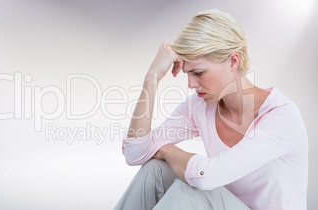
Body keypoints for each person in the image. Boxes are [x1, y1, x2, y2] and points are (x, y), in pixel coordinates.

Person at [114, 9, 308, 210]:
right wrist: (152, 77)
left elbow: (207, 177)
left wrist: (166, 149)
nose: (190, 83)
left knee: (190, 188)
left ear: (233, 61)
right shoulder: (199, 105)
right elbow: (135, 153)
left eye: (198, 73)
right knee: (155, 170)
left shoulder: (281, 116)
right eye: (188, 74)